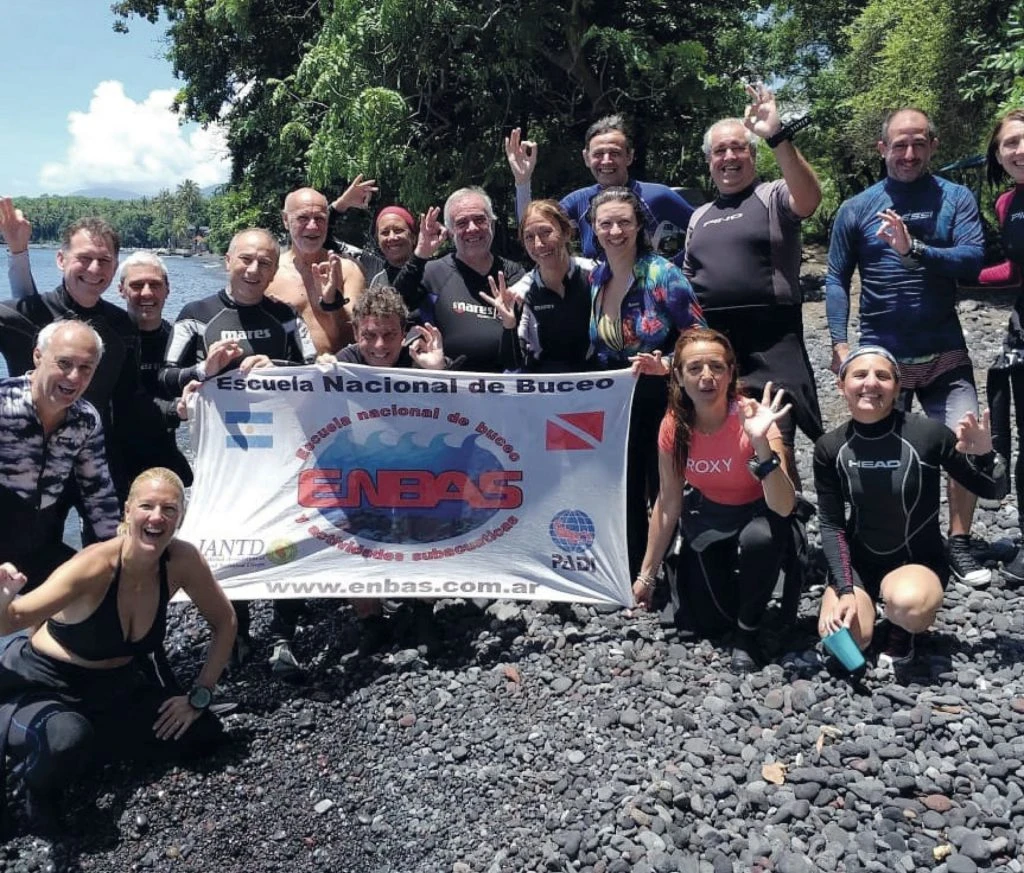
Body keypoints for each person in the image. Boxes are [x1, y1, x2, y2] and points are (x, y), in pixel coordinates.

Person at [0, 467, 235, 834]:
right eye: (147, 506)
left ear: (181, 517)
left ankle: (85, 751)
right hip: (41, 684)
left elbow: (225, 622)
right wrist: (4, 597)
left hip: (114, 688)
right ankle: (33, 787)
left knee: (203, 732)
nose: (157, 517)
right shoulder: (92, 566)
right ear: (127, 511)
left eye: (169, 509)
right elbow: (12, 620)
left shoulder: (182, 561)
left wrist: (199, 695)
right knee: (66, 740)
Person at [825, 108, 990, 586]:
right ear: (882, 149)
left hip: (943, 350)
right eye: (900, 144)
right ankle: (885, 541)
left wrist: (913, 249)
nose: (910, 153)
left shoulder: (954, 197)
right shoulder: (858, 207)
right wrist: (839, 342)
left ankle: (958, 541)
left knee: (964, 442)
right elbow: (836, 277)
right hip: (883, 356)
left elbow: (973, 260)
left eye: (919, 143)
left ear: (933, 146)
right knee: (882, 453)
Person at [160, 228, 316, 678]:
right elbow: (165, 378)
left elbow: (314, 372)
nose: (253, 269)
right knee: (231, 537)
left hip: (281, 454)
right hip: (225, 457)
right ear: (228, 260)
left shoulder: (285, 316)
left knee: (287, 534)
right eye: (246, 259)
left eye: (265, 262)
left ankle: (284, 631)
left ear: (274, 269)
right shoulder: (195, 315)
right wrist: (203, 370)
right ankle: (237, 630)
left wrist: (278, 367)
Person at [815, 347, 1007, 669]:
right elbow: (831, 524)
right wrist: (845, 589)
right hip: (859, 564)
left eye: (882, 376)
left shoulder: (927, 434)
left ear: (897, 388)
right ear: (841, 385)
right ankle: (866, 606)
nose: (871, 383)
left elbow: (993, 491)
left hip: (916, 562)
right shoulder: (830, 447)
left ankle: (901, 628)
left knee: (909, 605)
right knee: (843, 640)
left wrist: (986, 456)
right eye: (860, 375)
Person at [685, 84, 823, 489]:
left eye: (738, 148)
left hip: (773, 338)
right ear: (709, 161)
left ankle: (787, 516)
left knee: (775, 435)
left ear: (752, 155)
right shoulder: (699, 216)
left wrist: (777, 135)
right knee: (725, 435)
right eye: (720, 151)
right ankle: (738, 509)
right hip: (717, 343)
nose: (729, 157)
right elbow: (688, 281)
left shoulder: (772, 195)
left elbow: (808, 199)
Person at [633, 328, 795, 671]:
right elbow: (668, 502)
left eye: (717, 367)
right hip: (710, 514)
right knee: (710, 621)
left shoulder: (754, 418)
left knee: (760, 539)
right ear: (679, 376)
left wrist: (761, 443)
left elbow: (784, 506)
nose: (706, 376)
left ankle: (748, 635)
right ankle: (747, 594)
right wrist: (646, 575)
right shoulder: (674, 427)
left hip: (761, 511)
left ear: (730, 372)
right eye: (694, 368)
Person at [0, 212, 166, 507]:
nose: (94, 269)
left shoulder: (122, 327)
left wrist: (177, 409)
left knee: (114, 534)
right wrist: (18, 251)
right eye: (84, 258)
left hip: (99, 459)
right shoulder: (24, 314)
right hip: (35, 463)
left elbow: (129, 399)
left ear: (115, 266)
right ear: (61, 260)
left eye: (104, 260)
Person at [318, 285, 448, 653]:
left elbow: (464, 409)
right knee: (353, 535)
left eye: (389, 335)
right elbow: (298, 394)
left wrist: (439, 372)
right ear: (356, 332)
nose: (379, 345)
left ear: (403, 331)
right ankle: (370, 620)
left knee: (431, 527)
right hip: (362, 468)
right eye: (370, 335)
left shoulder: (420, 357)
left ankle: (423, 611)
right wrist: (316, 372)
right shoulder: (344, 360)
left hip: (415, 466)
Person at [587, 187, 706, 578]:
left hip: (662, 395)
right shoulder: (597, 278)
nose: (615, 231)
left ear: (639, 225)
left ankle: (669, 576)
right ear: (594, 228)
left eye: (624, 222)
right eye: (606, 223)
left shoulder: (663, 274)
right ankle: (632, 574)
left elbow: (701, 339)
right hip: (619, 401)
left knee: (664, 487)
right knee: (624, 485)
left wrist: (667, 364)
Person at [0, 321, 119, 590]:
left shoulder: (85, 419)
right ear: (38, 356)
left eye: (85, 368)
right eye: (64, 363)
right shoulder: (3, 404)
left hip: (39, 542)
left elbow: (98, 493)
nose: (74, 377)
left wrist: (120, 555)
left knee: (99, 594)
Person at [506, 116, 694, 264]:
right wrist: (523, 181)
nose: (606, 161)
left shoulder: (657, 196)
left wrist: (674, 268)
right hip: (601, 298)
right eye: (598, 154)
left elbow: (702, 231)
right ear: (586, 158)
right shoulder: (578, 201)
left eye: (615, 153)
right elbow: (531, 228)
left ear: (629, 157)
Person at [393, 188, 526, 372]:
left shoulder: (514, 274)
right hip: (448, 383)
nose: (472, 228)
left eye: (480, 219)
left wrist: (509, 324)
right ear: (450, 231)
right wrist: (420, 254)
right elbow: (392, 306)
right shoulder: (433, 273)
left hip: (505, 385)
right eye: (462, 223)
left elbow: (526, 346)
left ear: (492, 224)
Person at [977, 109, 1024, 584]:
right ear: (998, 154)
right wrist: (950, 271)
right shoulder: (1007, 203)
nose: (1019, 150)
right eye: (1009, 143)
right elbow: (1014, 270)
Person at [266, 187, 366, 354]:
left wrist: (333, 303)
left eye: (319, 219)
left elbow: (358, 337)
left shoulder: (348, 270)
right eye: (303, 218)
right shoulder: (269, 273)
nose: (312, 227)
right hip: (288, 368)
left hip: (338, 366)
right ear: (285, 220)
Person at [509, 200, 594, 373]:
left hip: (595, 377)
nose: (538, 244)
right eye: (529, 237)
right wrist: (508, 325)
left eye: (546, 232)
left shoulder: (596, 274)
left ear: (566, 233)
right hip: (543, 381)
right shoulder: (520, 293)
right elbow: (512, 362)